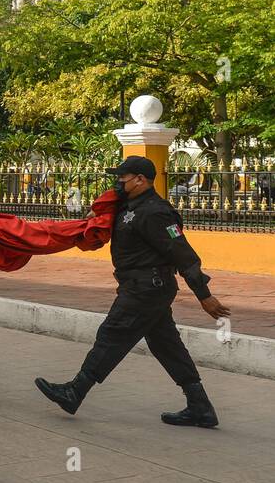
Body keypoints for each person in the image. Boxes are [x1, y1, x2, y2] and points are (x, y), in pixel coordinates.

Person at [35, 156, 231, 427]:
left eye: (122, 178)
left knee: (112, 333)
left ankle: (75, 391)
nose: (118, 183)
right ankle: (200, 406)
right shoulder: (130, 207)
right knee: (166, 344)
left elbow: (182, 253)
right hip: (142, 286)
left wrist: (203, 294)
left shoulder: (155, 212)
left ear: (140, 179)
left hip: (146, 288)